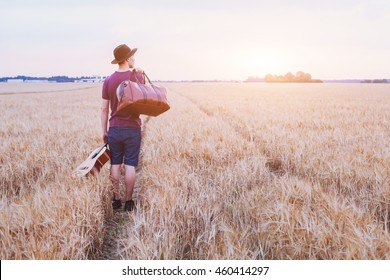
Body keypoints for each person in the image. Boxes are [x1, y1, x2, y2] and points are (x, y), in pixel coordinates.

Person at [101, 44, 144, 211]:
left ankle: (116, 200)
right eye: (132, 56)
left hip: (114, 128)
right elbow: (144, 99)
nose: (134, 58)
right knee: (130, 165)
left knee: (115, 163)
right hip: (132, 128)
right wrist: (140, 74)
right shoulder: (136, 77)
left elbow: (104, 108)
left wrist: (104, 131)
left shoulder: (108, 81)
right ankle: (128, 202)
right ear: (126, 59)